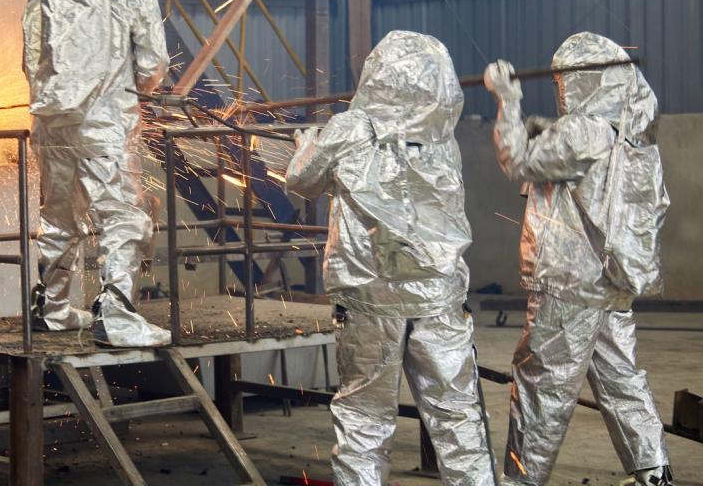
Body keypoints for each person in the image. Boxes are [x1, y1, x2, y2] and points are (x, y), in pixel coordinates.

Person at [287, 30, 497, 486]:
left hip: (370, 300)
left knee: (364, 418)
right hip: (439, 296)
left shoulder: (348, 129)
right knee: (458, 418)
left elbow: (300, 181)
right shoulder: (442, 136)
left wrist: (306, 142)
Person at [483, 32, 673, 486]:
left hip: (569, 283)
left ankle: (521, 481)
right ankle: (653, 472)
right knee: (621, 380)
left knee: (540, 387)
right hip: (612, 282)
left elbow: (517, 162)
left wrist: (507, 101)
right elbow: (570, 157)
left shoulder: (583, 130)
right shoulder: (630, 136)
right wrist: (545, 128)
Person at [21, 0, 171, 348]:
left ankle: (52, 308)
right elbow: (152, 68)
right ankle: (119, 317)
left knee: (59, 218)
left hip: (51, 127)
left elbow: (30, 62)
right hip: (105, 128)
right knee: (123, 216)